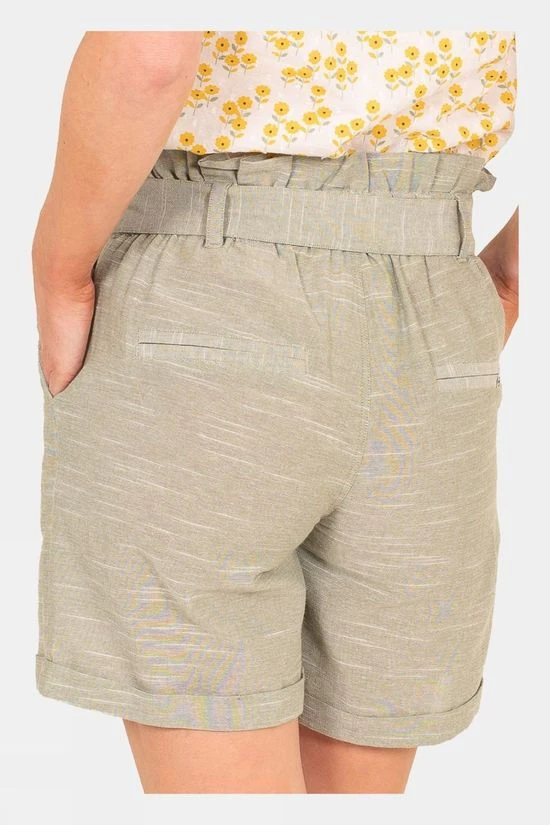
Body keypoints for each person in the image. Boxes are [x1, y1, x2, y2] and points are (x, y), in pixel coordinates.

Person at [32, 31, 519, 794]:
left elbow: (151, 54)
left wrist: (58, 271)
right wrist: (514, 273)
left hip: (208, 292)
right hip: (434, 312)